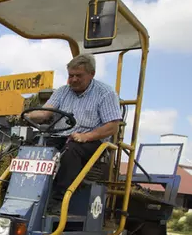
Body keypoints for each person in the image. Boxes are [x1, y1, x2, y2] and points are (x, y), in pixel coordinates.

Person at [26, 54, 122, 212]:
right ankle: (26, 192)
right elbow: (45, 113)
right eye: (71, 76)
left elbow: (112, 127)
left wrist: (85, 136)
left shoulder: (105, 93)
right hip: (62, 136)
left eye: (79, 76)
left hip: (93, 142)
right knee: (34, 145)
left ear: (92, 74)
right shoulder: (63, 92)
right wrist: (26, 115)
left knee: (72, 150)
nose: (74, 79)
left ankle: (59, 200)